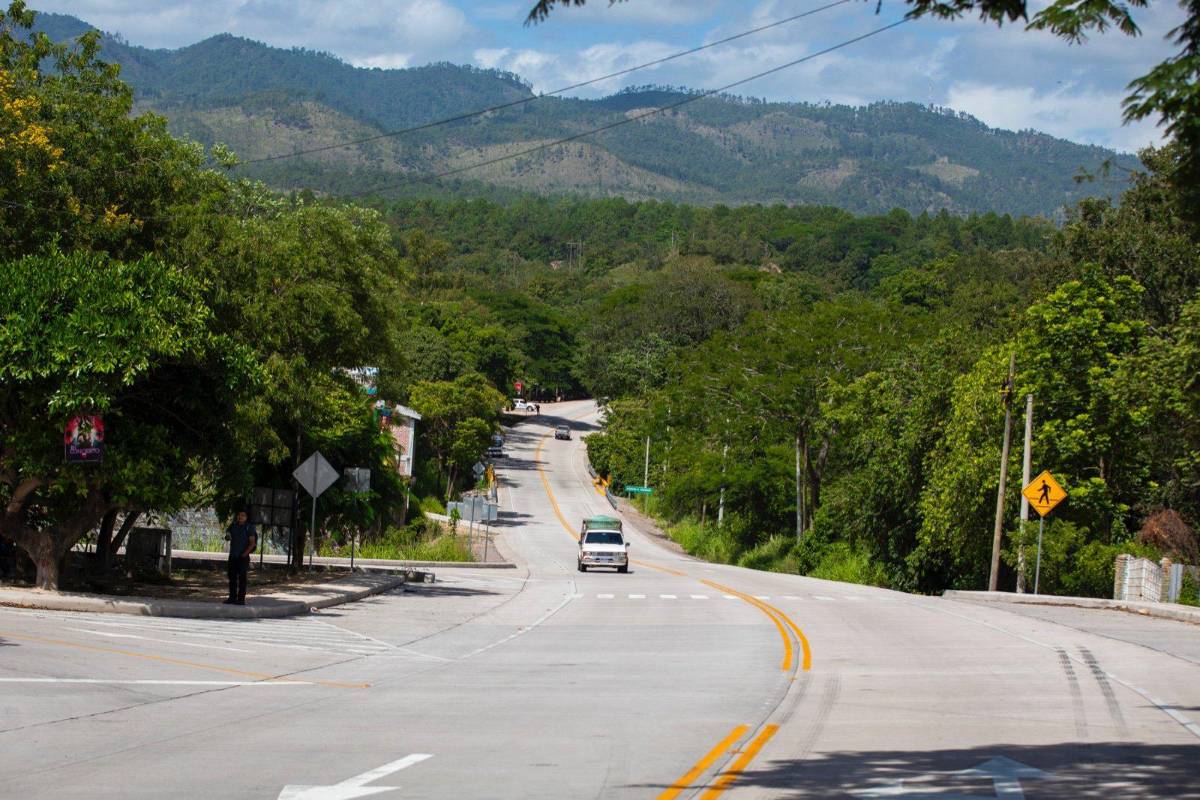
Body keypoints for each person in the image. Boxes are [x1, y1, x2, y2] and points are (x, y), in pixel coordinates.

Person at [225, 510, 257, 605]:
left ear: (246, 517)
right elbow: (228, 535)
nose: (240, 517)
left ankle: (241, 599)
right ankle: (232, 597)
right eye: (239, 515)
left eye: (243, 515)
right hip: (233, 555)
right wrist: (228, 536)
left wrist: (244, 554)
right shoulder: (233, 525)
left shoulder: (249, 527)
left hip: (243, 557)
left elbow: (252, 543)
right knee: (232, 577)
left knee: (242, 578)